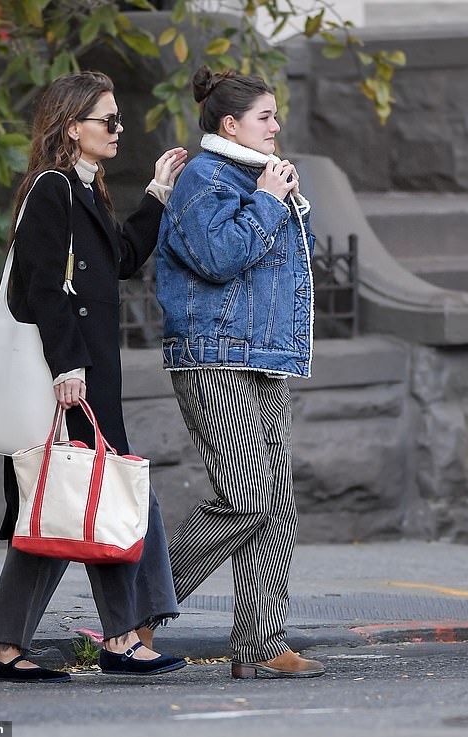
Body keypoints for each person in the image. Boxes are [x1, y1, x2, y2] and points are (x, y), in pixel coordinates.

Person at [0, 71, 188, 682]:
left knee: (78, 502)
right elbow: (40, 285)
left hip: (87, 373)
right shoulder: (52, 189)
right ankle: (117, 637)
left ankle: (82, 640)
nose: (119, 129)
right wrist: (67, 364)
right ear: (73, 127)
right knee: (88, 499)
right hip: (68, 376)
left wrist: (155, 195)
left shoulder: (85, 187)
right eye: (109, 120)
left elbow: (120, 259)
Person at [154, 66, 325, 679]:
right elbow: (219, 259)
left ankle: (262, 646)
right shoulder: (206, 178)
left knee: (277, 506)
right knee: (245, 500)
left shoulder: (255, 177)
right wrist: (270, 201)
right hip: (213, 355)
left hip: (263, 359)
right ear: (231, 124)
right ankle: (139, 607)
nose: (277, 127)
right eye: (265, 117)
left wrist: (273, 196)